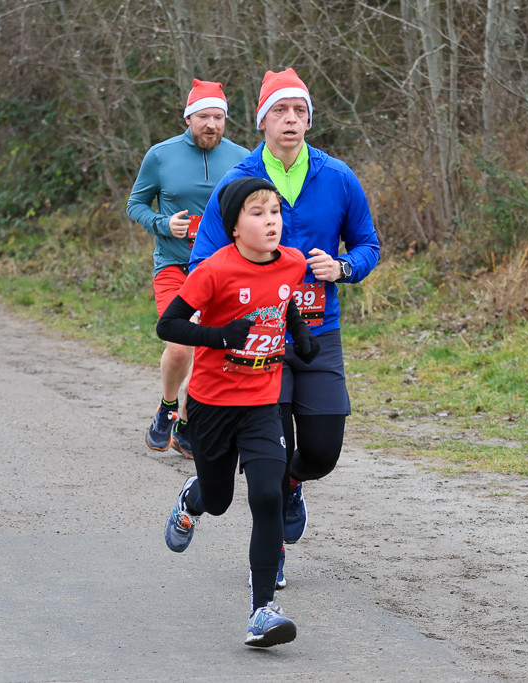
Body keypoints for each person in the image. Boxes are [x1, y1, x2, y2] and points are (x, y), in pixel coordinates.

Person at [190, 68, 381, 585]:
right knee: (264, 466)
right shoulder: (237, 181)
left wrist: (342, 268)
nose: (291, 120)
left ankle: (297, 482)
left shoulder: (338, 177)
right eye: (280, 111)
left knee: (320, 451)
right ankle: (270, 560)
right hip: (260, 340)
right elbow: (203, 258)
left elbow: (368, 245)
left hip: (319, 333)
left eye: (300, 111)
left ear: (309, 119)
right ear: (263, 121)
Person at [158, 176, 319, 647]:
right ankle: (193, 499)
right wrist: (221, 336)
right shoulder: (214, 271)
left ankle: (261, 611)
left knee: (267, 495)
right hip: (211, 405)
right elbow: (167, 324)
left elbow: (283, 303)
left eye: (275, 212)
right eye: (258, 213)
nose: (271, 222)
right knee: (221, 498)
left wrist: (300, 335)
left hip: (263, 403)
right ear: (233, 226)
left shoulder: (291, 263)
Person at [126, 79, 249, 459]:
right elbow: (136, 205)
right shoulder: (160, 156)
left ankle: (185, 422)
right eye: (202, 117)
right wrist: (165, 224)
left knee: (214, 352)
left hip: (224, 269)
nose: (210, 124)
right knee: (180, 347)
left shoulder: (243, 157)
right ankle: (166, 406)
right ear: (188, 118)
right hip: (175, 266)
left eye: (217, 117)